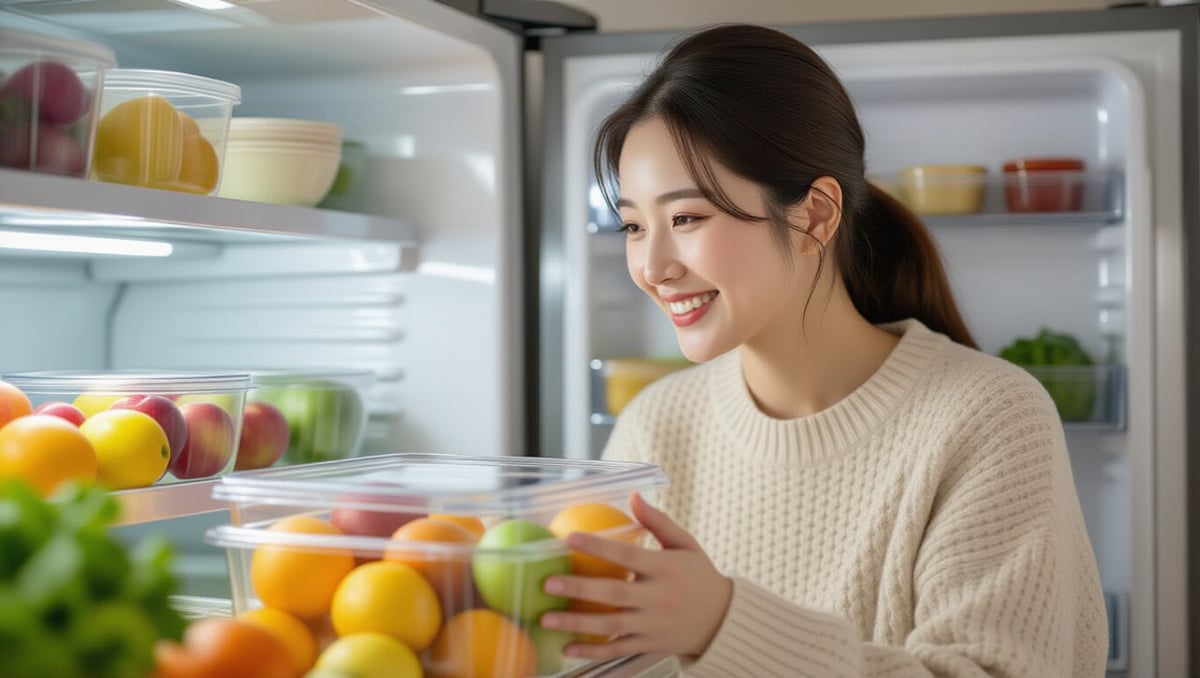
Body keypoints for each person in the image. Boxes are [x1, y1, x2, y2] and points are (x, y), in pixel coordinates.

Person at [537, 23, 1108, 677]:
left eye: (687, 217)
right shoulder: (656, 425)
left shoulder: (988, 416)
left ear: (814, 216)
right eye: (635, 226)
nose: (652, 266)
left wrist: (723, 627)